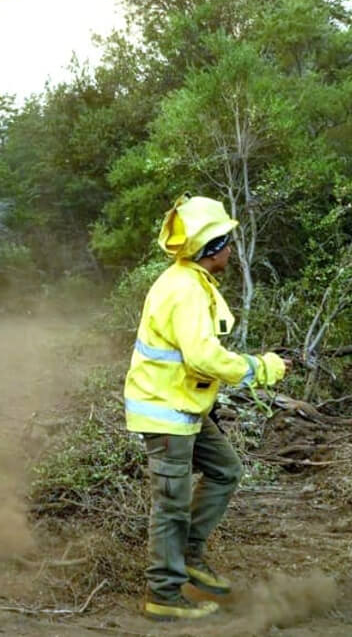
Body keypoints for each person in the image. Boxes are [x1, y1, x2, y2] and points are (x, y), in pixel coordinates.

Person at [124, 194, 288, 621]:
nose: (232, 249)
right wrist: (260, 368)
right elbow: (201, 357)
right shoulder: (185, 291)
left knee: (226, 469)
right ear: (211, 249)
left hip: (185, 410)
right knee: (171, 504)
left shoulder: (191, 282)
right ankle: (163, 594)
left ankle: (191, 556)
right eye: (227, 242)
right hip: (167, 415)